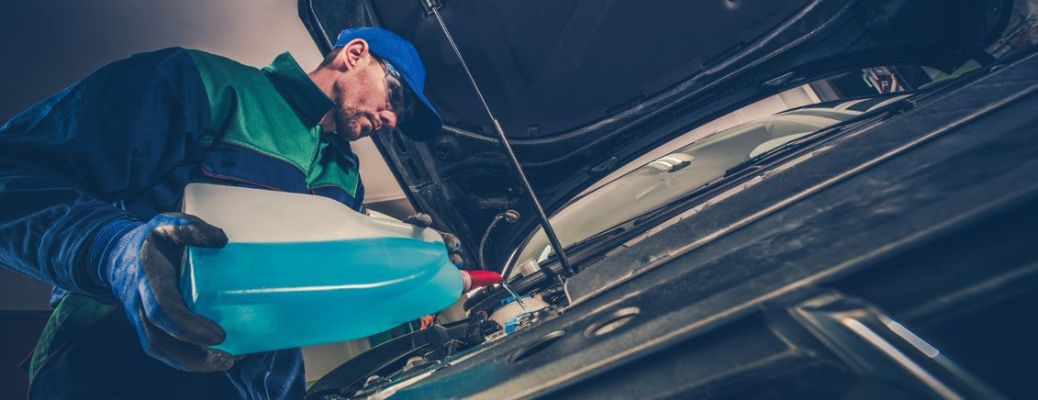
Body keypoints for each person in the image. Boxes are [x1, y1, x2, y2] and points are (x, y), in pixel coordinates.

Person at [0, 27, 485, 399]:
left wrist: (403, 256)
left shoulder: (347, 179)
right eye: (395, 95)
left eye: (400, 118)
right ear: (354, 54)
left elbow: (331, 290)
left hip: (264, 386)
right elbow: (13, 173)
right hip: (117, 362)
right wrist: (113, 251)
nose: (392, 119)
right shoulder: (199, 83)